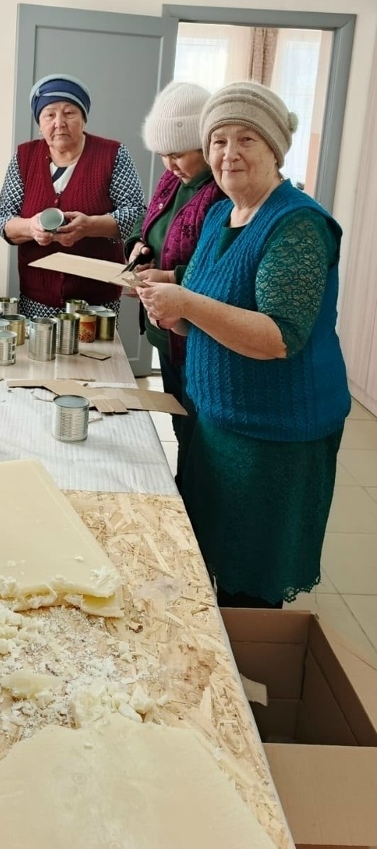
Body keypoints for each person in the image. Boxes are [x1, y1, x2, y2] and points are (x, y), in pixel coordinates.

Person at [138, 81, 350, 609]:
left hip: (275, 438)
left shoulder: (297, 224)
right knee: (207, 562)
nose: (228, 153)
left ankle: (248, 661)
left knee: (248, 588)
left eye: (246, 139)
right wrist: (174, 312)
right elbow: (204, 315)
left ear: (275, 149)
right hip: (217, 423)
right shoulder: (219, 214)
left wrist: (186, 303)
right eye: (218, 141)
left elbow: (278, 337)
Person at [0, 74, 145, 317]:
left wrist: (89, 226)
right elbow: (3, 218)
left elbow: (137, 214)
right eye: (49, 114)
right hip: (37, 298)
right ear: (39, 123)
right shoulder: (24, 157)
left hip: (96, 303)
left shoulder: (113, 154)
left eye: (69, 113)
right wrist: (31, 227)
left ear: (83, 118)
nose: (59, 123)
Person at [123, 81, 223, 447]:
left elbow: (218, 266)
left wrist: (169, 276)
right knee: (180, 419)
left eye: (178, 154)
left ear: (205, 146)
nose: (169, 164)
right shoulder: (173, 178)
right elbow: (148, 219)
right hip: (164, 328)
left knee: (199, 426)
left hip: (196, 331)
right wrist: (137, 246)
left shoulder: (221, 191)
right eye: (163, 154)